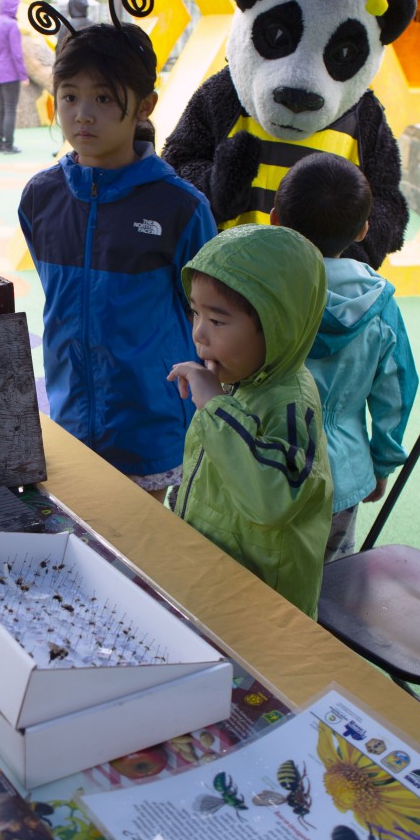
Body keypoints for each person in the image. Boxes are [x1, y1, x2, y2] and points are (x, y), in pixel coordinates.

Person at [18, 0, 217, 501]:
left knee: (147, 559)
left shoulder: (179, 207)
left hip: (151, 427)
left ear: (145, 104)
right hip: (68, 420)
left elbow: (207, 315)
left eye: (104, 98)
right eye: (70, 96)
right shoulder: (40, 197)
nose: (84, 113)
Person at [167, 225, 332, 617]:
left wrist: (214, 408)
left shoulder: (291, 404)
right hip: (214, 577)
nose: (199, 334)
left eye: (218, 321)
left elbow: (271, 500)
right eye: (195, 312)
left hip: (263, 600)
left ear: (278, 326)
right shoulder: (240, 379)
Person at [269, 153, 417, 561]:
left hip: (256, 461)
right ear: (364, 229)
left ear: (275, 218)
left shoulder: (256, 288)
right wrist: (382, 462)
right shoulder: (379, 302)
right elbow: (397, 390)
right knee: (328, 588)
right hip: (342, 473)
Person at [0, 0, 29, 153]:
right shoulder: (11, 25)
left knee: (1, 109)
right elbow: (16, 53)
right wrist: (23, 75)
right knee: (10, 108)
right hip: (10, 72)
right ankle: (8, 145)